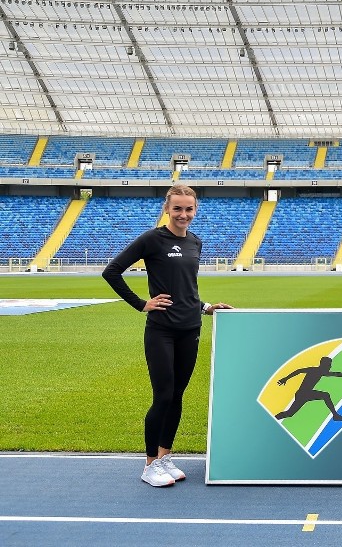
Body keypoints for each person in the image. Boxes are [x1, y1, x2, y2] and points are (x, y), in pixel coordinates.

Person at [103, 185, 232, 487]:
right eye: (178, 209)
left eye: (189, 209)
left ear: (195, 210)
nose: (183, 214)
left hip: (191, 329)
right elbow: (112, 271)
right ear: (167, 209)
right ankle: (149, 465)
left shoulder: (195, 243)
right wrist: (141, 304)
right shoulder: (152, 239)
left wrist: (206, 307)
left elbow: (186, 288)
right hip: (161, 331)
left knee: (176, 397)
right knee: (162, 396)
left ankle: (164, 457)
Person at [275, 356, 342, 421]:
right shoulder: (315, 370)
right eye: (329, 365)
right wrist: (285, 378)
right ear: (323, 364)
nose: (330, 367)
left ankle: (335, 415)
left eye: (330, 365)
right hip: (303, 394)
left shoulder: (322, 372)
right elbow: (299, 371)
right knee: (290, 413)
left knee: (290, 414)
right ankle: (335, 415)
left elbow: (337, 374)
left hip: (306, 394)